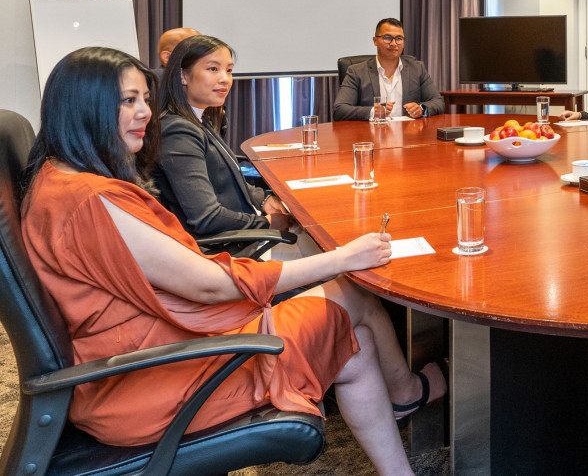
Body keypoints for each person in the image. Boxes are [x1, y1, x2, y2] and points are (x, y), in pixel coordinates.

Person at [18, 47, 445, 476]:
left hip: (135, 360)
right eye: (128, 101)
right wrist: (340, 258)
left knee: (354, 347)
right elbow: (207, 285)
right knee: (349, 288)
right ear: (84, 107)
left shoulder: (57, 180)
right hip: (153, 381)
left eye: (145, 98)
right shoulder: (92, 200)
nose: (145, 112)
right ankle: (406, 393)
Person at [154, 34, 291, 237]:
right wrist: (267, 223)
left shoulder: (199, 119)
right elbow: (207, 218)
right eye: (213, 69)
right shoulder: (178, 131)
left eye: (229, 70)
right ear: (183, 76)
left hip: (241, 228)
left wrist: (262, 198)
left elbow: (226, 177)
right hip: (226, 247)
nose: (225, 79)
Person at [333, 18, 445, 121]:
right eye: (387, 38)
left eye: (399, 39)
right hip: (372, 135)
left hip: (409, 136)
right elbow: (339, 109)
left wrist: (421, 109)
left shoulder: (417, 69)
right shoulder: (357, 71)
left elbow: (438, 102)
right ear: (375, 40)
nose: (394, 43)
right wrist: (373, 112)